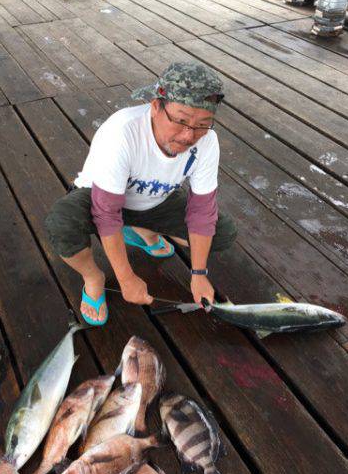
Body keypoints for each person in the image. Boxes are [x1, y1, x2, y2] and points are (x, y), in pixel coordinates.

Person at [45, 61, 237, 326]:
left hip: (156, 200)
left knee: (223, 233)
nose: (189, 135)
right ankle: (93, 277)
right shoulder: (123, 132)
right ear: (156, 106)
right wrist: (125, 278)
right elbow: (106, 212)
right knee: (61, 224)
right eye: (180, 120)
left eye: (203, 124)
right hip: (99, 198)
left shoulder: (207, 141)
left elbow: (203, 210)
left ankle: (140, 230)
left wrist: (198, 273)